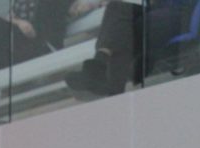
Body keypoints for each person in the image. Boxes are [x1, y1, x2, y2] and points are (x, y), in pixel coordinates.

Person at [64, 0, 193, 98]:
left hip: (179, 13)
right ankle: (101, 70)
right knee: (116, 10)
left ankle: (102, 73)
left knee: (122, 30)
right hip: (159, 10)